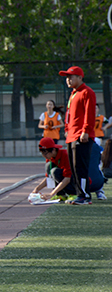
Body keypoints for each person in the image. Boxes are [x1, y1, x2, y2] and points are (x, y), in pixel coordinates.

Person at [59, 66, 96, 205]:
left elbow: (89, 113)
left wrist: (86, 131)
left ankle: (84, 196)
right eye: (67, 77)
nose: (68, 80)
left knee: (80, 167)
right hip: (72, 135)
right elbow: (69, 114)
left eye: (71, 77)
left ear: (80, 77)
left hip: (81, 135)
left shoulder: (87, 92)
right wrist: (67, 129)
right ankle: (79, 194)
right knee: (74, 168)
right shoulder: (73, 93)